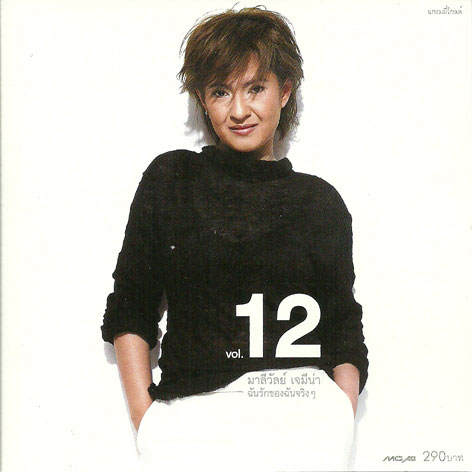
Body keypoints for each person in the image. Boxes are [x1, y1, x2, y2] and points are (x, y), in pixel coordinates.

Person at [101, 6, 368, 472]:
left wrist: (337, 418)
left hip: (303, 425)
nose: (239, 110)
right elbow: (131, 306)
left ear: (285, 91)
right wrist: (148, 423)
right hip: (190, 427)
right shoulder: (173, 178)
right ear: (203, 100)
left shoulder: (320, 202)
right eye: (220, 91)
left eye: (255, 88)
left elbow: (343, 328)